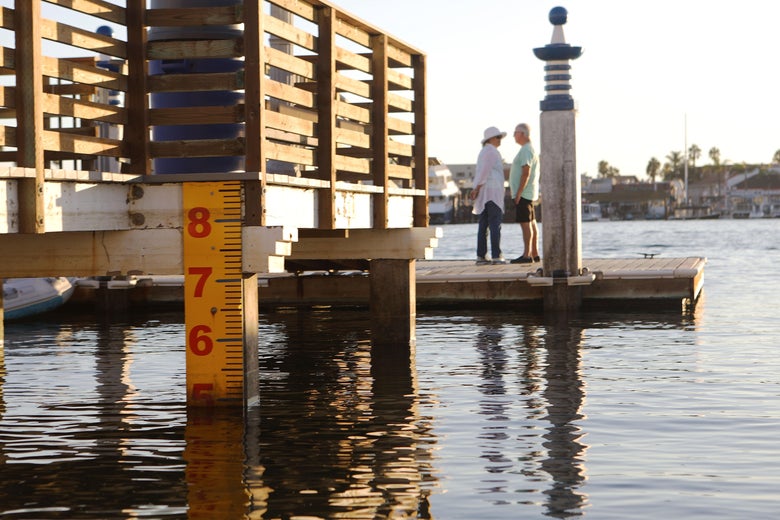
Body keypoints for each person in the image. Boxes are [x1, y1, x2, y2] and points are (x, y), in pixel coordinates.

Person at [470, 126, 508, 265]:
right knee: (494, 224)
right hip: (492, 193)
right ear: (490, 139)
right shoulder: (491, 151)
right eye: (498, 137)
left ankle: (481, 255)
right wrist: (477, 187)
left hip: (485, 193)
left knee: (484, 224)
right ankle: (496, 255)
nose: (500, 140)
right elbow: (484, 172)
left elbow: (482, 171)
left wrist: (477, 188)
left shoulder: (484, 151)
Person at [508, 123, 540, 264]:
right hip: (529, 193)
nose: (514, 135)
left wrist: (519, 192)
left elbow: (525, 172)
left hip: (524, 193)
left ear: (522, 134)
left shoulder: (526, 150)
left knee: (526, 223)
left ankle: (527, 255)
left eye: (515, 132)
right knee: (531, 223)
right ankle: (534, 253)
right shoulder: (529, 149)